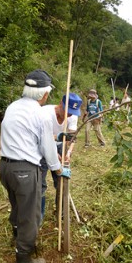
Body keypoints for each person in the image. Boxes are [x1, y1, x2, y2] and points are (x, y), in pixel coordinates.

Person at [0, 69, 71, 263]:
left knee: (17, 205)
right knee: (31, 215)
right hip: (24, 170)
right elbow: (47, 149)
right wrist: (58, 170)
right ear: (45, 94)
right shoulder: (40, 115)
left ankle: (17, 235)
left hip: (5, 167)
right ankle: (23, 260)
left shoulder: (12, 107)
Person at [40, 93, 82, 221]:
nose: (69, 115)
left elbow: (71, 138)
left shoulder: (72, 117)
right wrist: (53, 151)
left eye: (72, 112)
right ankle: (38, 215)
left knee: (61, 181)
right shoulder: (44, 113)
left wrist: (67, 153)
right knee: (39, 183)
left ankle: (61, 213)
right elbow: (42, 139)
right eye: (67, 111)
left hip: (60, 146)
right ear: (60, 103)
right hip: (41, 147)